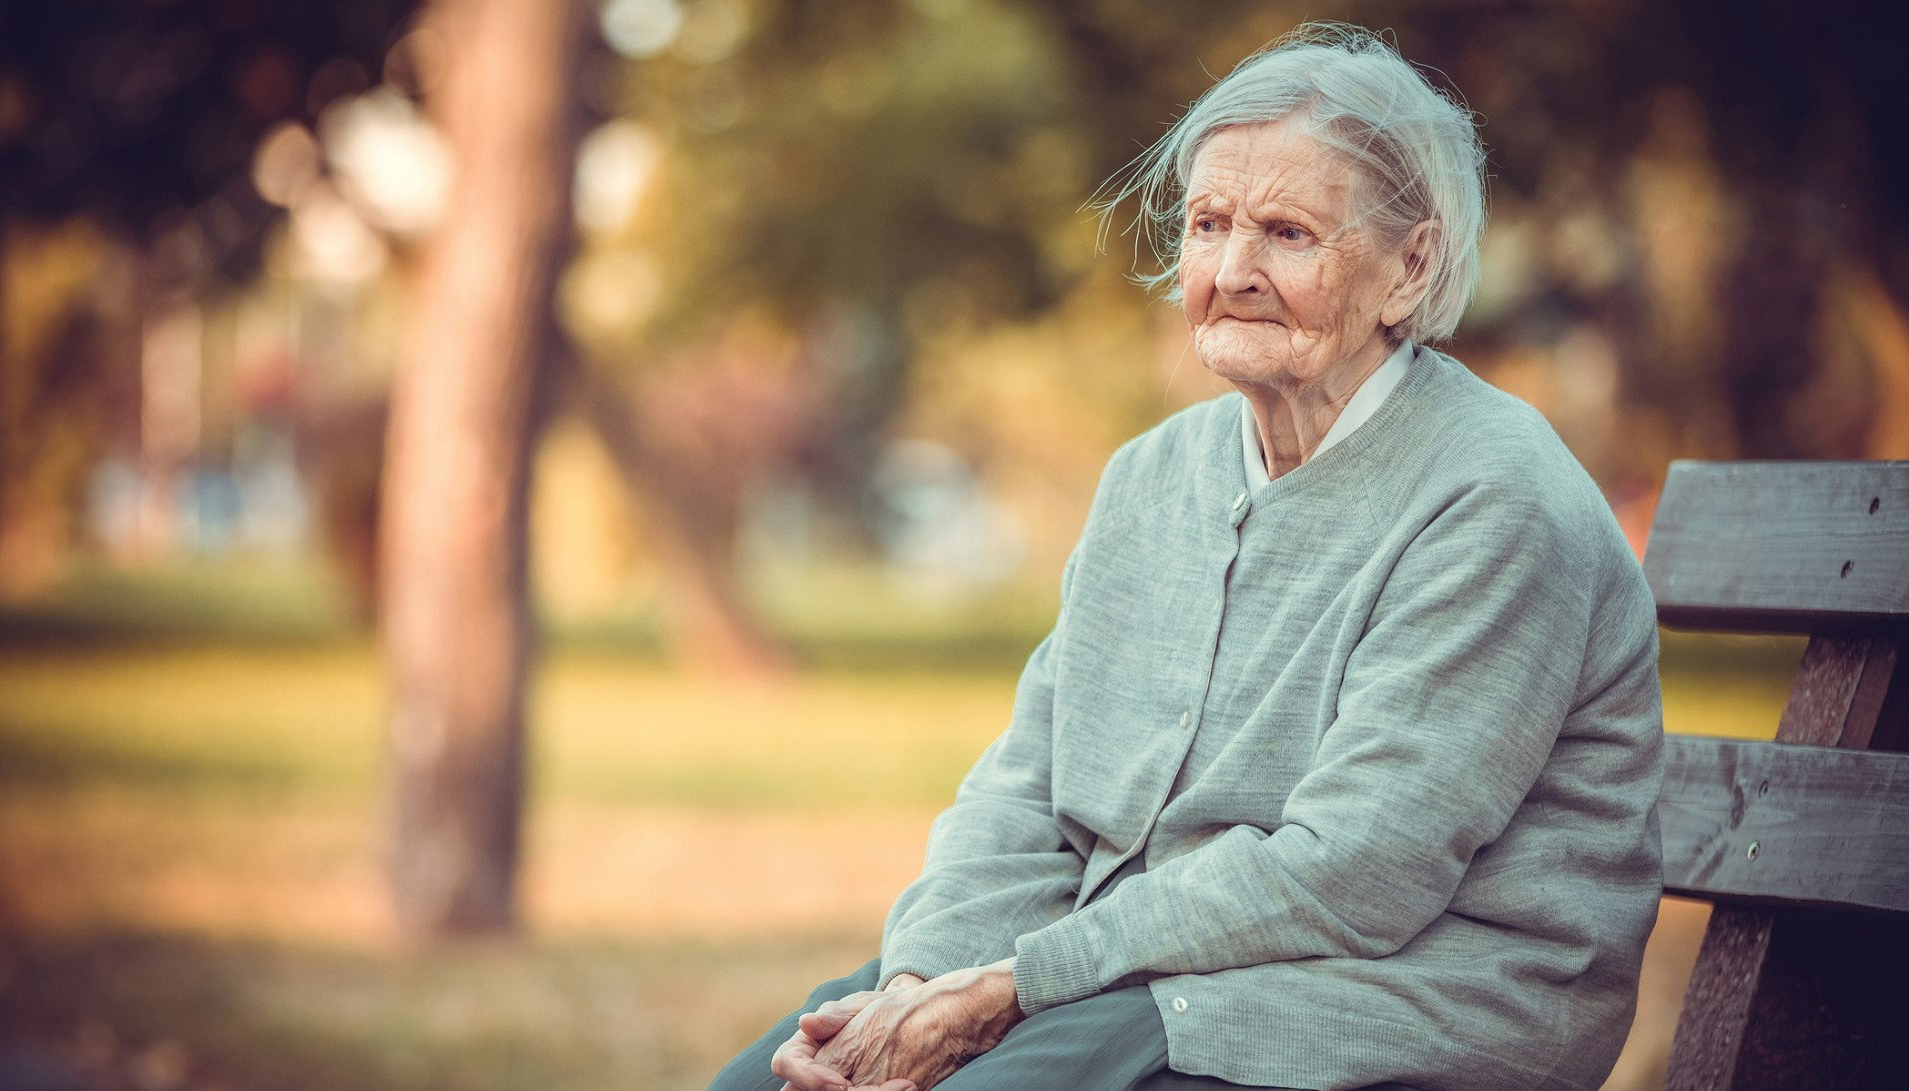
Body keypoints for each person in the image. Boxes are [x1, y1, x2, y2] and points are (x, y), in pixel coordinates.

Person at [708, 22, 1664, 1091]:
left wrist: (1015, 986)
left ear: (1410, 265)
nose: (1233, 268)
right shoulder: (1150, 477)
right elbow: (1027, 788)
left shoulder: (1494, 497)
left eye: (1288, 233)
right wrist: (921, 975)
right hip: (1144, 969)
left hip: (1409, 991)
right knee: (778, 1082)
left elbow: (1354, 873)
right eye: (1208, 225)